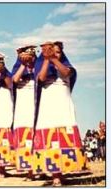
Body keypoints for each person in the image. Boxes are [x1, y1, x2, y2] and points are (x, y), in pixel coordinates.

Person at [33, 41, 87, 186]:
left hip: (63, 105)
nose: (54, 54)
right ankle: (55, 175)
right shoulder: (41, 65)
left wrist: (54, 59)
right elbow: (42, 78)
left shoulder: (66, 66)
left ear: (62, 53)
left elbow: (65, 73)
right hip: (48, 108)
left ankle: (63, 172)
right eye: (51, 51)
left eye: (57, 52)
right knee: (51, 140)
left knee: (64, 137)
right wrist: (46, 60)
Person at [11, 45, 37, 180]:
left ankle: (39, 167)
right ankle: (29, 171)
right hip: (22, 109)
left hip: (36, 106)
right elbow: (14, 80)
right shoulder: (18, 67)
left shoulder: (38, 67)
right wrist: (23, 64)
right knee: (25, 138)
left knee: (37, 137)